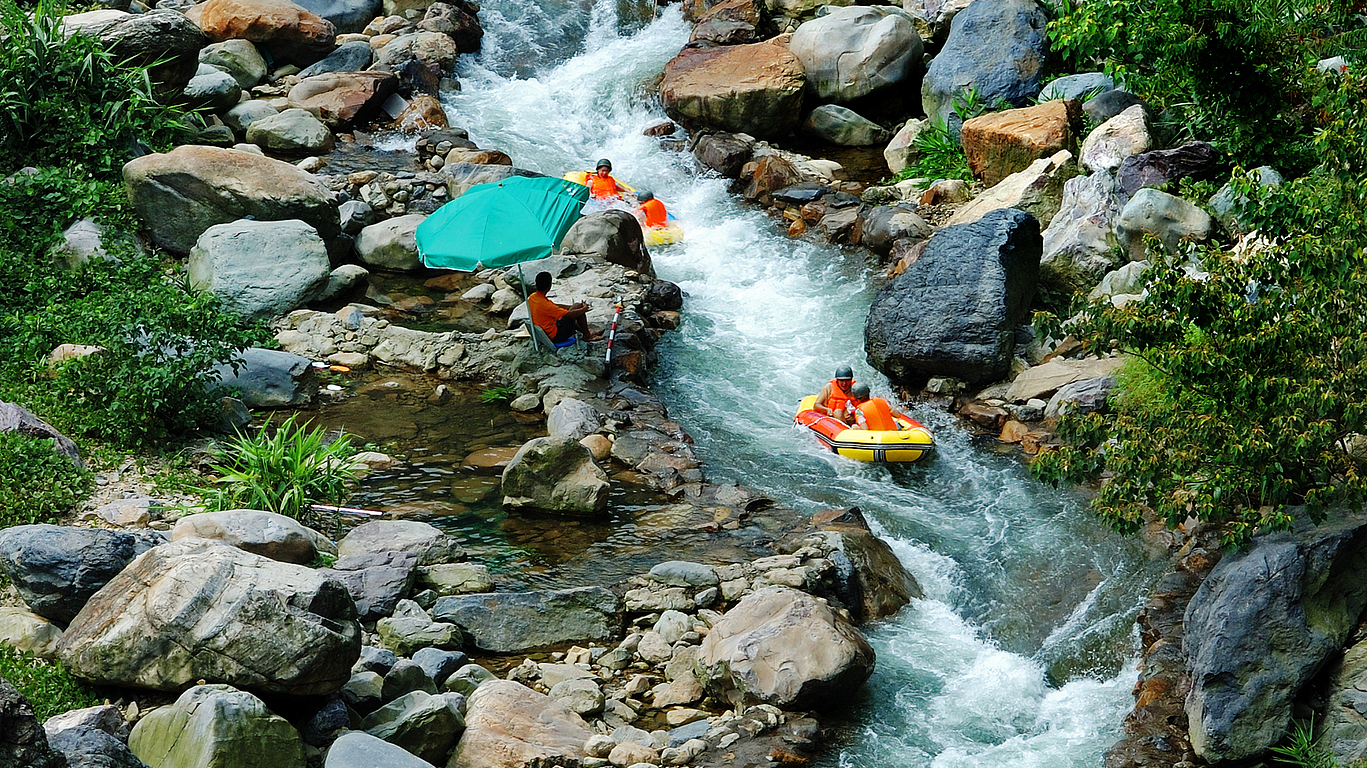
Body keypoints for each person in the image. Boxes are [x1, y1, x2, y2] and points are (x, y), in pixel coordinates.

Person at [528, 271, 603, 344]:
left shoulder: (533, 297)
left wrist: (573, 307)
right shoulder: (545, 305)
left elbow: (555, 306)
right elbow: (570, 314)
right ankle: (587, 336)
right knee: (578, 313)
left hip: (548, 330)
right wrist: (584, 309)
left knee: (577, 307)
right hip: (555, 336)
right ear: (549, 286)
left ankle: (587, 332)